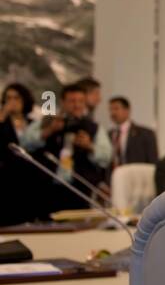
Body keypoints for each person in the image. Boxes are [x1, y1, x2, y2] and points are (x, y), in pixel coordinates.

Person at [22, 82, 112, 212]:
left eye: (80, 101)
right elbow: (25, 143)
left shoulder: (94, 127)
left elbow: (106, 156)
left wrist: (90, 146)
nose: (76, 105)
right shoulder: (47, 121)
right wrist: (48, 131)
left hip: (81, 189)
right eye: (72, 101)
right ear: (63, 102)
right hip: (48, 187)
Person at [1, 82, 39, 224]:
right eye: (8, 98)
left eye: (16, 98)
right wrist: (3, 114)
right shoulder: (2, 122)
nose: (12, 102)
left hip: (29, 178)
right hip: (7, 178)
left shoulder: (33, 123)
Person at [106, 96, 159, 167]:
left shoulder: (145, 133)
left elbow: (153, 161)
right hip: (114, 176)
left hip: (136, 175)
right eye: (111, 110)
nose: (113, 113)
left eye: (116, 109)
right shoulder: (109, 134)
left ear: (127, 110)